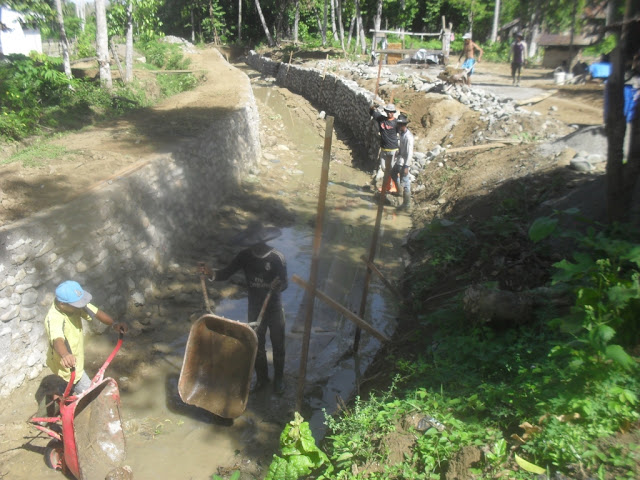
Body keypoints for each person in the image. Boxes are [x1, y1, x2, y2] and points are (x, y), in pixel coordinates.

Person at [199, 222, 288, 394]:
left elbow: (284, 283)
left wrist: (278, 285)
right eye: (252, 243)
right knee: (256, 345)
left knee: (278, 345)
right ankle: (262, 379)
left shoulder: (277, 258)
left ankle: (279, 379)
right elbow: (225, 273)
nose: (256, 246)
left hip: (274, 308)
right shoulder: (244, 256)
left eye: (258, 242)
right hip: (254, 308)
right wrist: (210, 273)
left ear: (265, 240)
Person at [44, 280, 126, 395]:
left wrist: (114, 324)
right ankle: (62, 397)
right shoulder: (54, 319)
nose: (80, 307)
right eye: (77, 305)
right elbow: (57, 340)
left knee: (68, 385)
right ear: (62, 304)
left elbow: (97, 313)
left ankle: (61, 394)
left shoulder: (74, 305)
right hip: (67, 363)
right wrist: (65, 355)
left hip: (75, 356)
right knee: (92, 392)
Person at [370, 103, 400, 191]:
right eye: (388, 111)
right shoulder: (381, 119)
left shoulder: (396, 123)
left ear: (393, 112)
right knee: (384, 168)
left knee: (392, 169)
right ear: (386, 111)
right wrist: (373, 106)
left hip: (393, 149)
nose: (389, 113)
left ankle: (395, 187)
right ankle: (387, 186)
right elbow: (371, 111)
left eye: (391, 112)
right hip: (383, 148)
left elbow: (402, 133)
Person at [394, 114, 414, 211]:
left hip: (405, 162)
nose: (397, 126)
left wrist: (406, 166)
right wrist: (398, 152)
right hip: (400, 160)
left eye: (399, 125)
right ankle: (399, 190)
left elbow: (410, 153)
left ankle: (407, 204)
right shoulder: (402, 134)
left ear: (403, 125)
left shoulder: (408, 137)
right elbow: (402, 147)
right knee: (393, 173)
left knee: (406, 182)